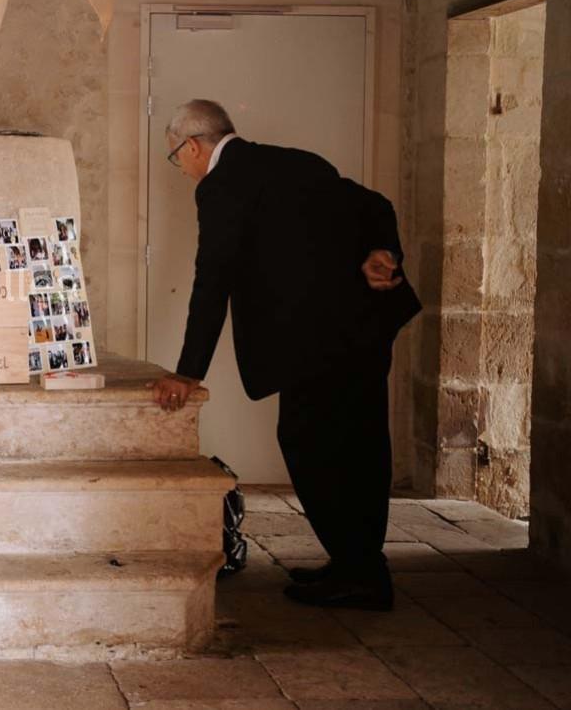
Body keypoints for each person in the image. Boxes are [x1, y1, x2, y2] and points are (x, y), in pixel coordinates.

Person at [153, 99, 420, 612]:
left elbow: (213, 280)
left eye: (176, 158)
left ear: (192, 146)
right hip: (362, 331)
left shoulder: (221, 186)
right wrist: (383, 252)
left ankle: (361, 574)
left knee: (310, 445)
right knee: (360, 447)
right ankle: (357, 564)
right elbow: (377, 206)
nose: (182, 169)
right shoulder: (300, 161)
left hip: (316, 343)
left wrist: (188, 373)